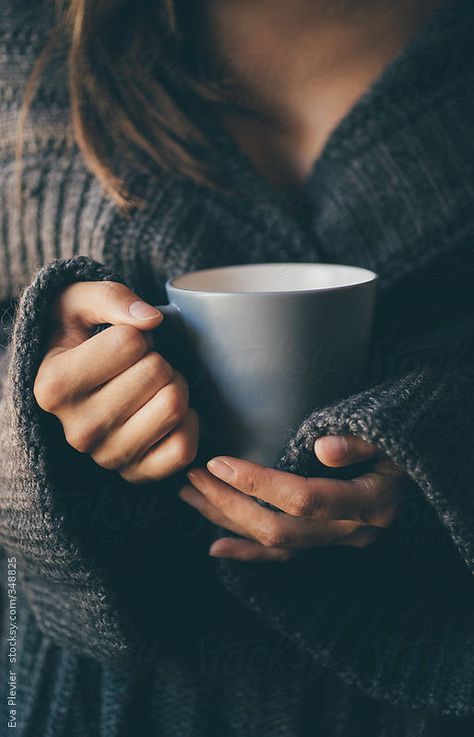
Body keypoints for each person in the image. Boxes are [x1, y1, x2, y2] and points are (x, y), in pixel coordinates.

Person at [1, 0, 474, 734]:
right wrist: (35, 398)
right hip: (119, 696)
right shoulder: (26, 44)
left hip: (434, 678)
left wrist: (444, 440)